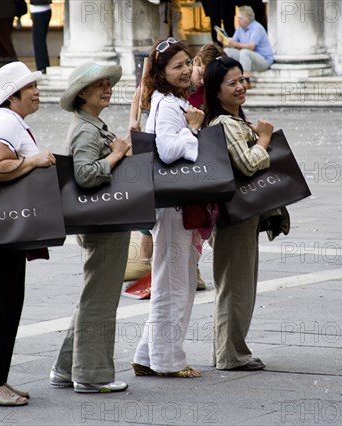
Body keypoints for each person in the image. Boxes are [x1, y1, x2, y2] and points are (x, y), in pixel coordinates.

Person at [0, 61, 55, 406]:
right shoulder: (5, 121)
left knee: (6, 302)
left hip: (6, 228)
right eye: (30, 88)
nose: (36, 92)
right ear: (13, 95)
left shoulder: (12, 121)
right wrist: (33, 162)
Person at [50, 63, 132, 393]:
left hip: (104, 219)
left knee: (93, 295)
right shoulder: (85, 130)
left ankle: (65, 369)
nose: (107, 88)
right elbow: (84, 174)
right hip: (103, 223)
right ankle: (92, 375)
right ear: (82, 94)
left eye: (108, 83)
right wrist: (115, 157)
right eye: (99, 85)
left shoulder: (92, 125)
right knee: (100, 298)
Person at [131, 37, 205, 378]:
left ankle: (148, 355)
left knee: (171, 279)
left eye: (187, 62)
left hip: (174, 204)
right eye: (178, 66)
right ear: (160, 73)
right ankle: (168, 361)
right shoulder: (167, 105)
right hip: (173, 205)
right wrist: (192, 128)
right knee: (175, 283)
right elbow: (169, 149)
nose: (186, 70)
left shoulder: (170, 100)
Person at [203, 56, 272, 371]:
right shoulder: (225, 123)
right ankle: (231, 355)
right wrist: (265, 141)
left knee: (239, 285)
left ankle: (229, 351)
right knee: (235, 287)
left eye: (242, 79)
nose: (241, 86)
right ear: (216, 92)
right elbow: (245, 164)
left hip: (243, 214)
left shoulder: (234, 119)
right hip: (235, 217)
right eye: (232, 83)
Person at [222, 5, 273, 87]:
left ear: (247, 20)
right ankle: (226, 76)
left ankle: (246, 80)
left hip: (263, 60)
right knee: (227, 52)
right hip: (249, 58)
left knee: (245, 52)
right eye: (237, 18)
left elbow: (251, 47)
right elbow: (233, 43)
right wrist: (224, 40)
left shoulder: (257, 28)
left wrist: (234, 44)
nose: (238, 20)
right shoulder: (240, 28)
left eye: (240, 18)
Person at [29, 0, 51, 73]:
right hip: (42, 9)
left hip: (39, 10)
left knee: (38, 41)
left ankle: (42, 66)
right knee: (40, 41)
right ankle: (44, 66)